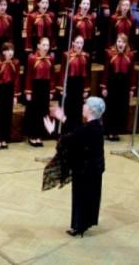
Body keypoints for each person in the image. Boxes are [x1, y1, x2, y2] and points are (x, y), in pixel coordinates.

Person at [47, 96, 106, 237]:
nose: (83, 106)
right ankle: (84, 223)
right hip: (93, 167)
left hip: (85, 169)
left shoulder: (89, 129)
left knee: (81, 196)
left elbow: (69, 139)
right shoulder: (96, 125)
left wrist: (52, 132)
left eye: (85, 104)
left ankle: (79, 226)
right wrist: (63, 118)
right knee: (90, 196)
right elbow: (77, 130)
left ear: (91, 110)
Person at [100, 34, 135, 141]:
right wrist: (104, 87)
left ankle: (116, 131)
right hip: (112, 84)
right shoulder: (110, 54)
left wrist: (131, 88)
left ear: (126, 44)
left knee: (121, 108)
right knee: (111, 107)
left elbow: (132, 73)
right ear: (116, 42)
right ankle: (109, 131)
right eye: (119, 41)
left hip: (124, 84)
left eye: (123, 42)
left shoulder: (130, 55)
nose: (121, 44)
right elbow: (106, 71)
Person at [24, 37, 55, 147]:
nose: (46, 47)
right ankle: (32, 135)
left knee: (43, 111)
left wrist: (51, 90)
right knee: (34, 112)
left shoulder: (50, 58)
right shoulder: (32, 58)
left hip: (45, 86)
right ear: (38, 46)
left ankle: (39, 135)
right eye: (44, 45)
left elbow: (52, 76)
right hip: (35, 86)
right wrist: (28, 91)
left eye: (47, 45)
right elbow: (28, 75)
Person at [0, 42, 20, 149]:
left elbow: (16, 79)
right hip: (0, 90)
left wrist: (15, 95)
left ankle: (5, 138)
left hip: (9, 90)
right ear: (3, 52)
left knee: (7, 114)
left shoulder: (15, 62)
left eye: (12, 50)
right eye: (8, 50)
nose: (10, 52)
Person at [59, 36, 91, 132]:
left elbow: (87, 74)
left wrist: (86, 89)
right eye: (77, 42)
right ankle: (67, 131)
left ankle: (76, 131)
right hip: (70, 84)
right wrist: (62, 87)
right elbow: (63, 72)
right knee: (69, 108)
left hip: (80, 84)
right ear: (73, 43)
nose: (79, 45)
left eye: (81, 43)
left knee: (78, 108)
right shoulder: (66, 55)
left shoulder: (86, 56)